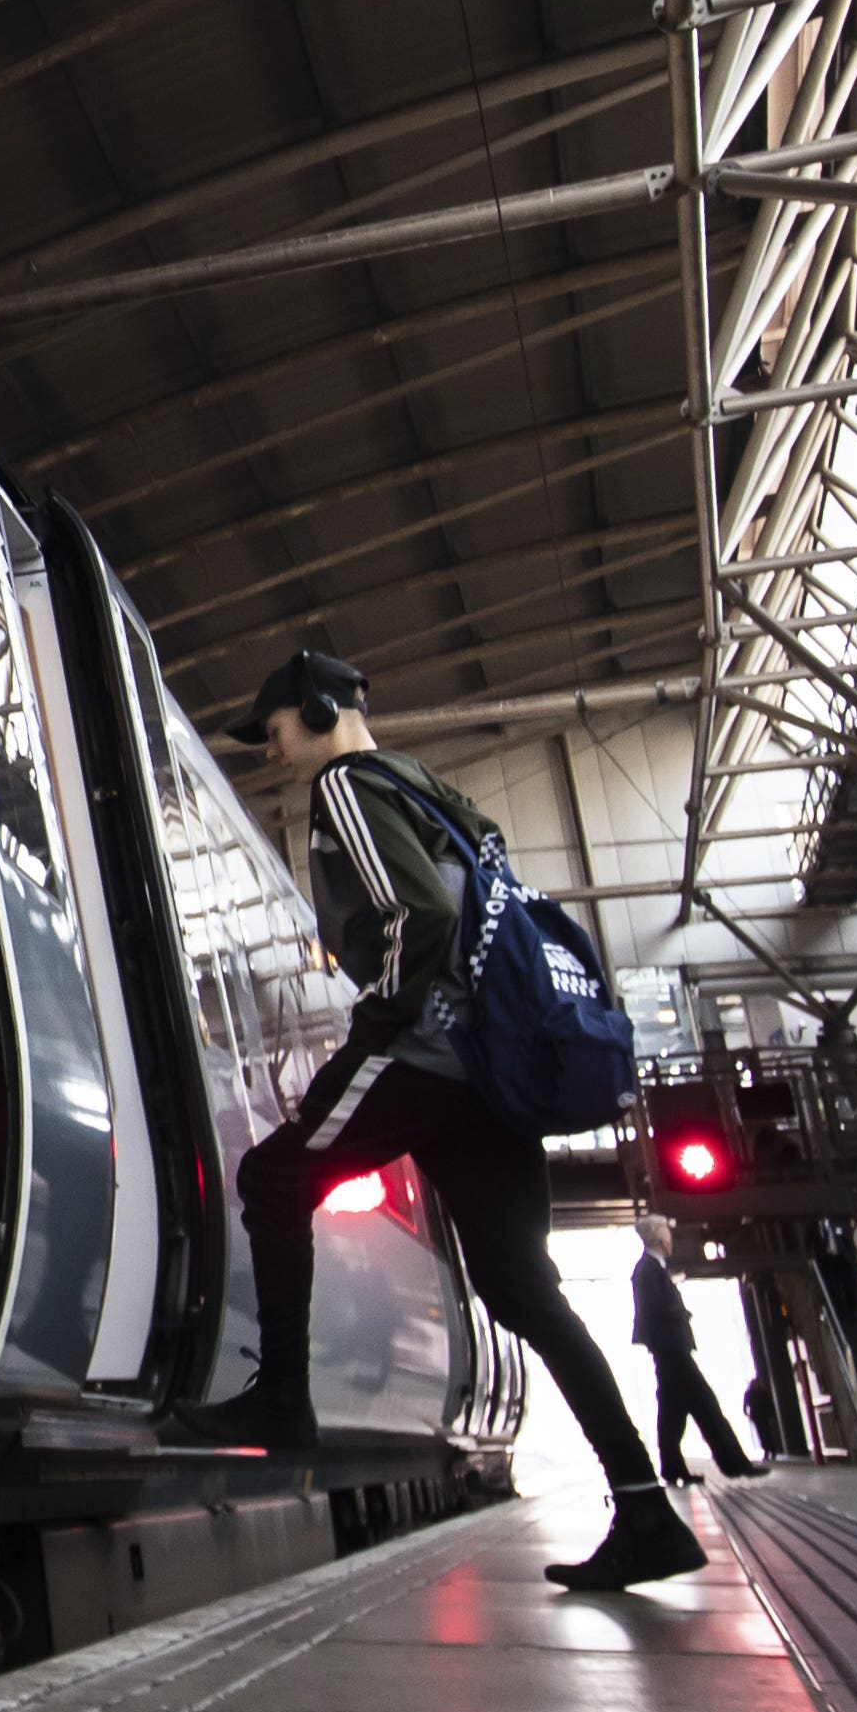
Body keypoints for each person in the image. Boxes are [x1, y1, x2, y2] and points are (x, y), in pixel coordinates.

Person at [177, 649, 703, 1590]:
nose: (274, 750)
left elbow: (414, 916)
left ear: (320, 707)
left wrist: (374, 1025)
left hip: (424, 1053)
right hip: (491, 1074)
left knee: (271, 1177)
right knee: (520, 1290)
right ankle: (643, 1508)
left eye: (278, 728)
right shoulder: (428, 789)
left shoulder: (345, 783)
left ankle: (282, 1401)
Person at [634, 1216, 762, 1481]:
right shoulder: (647, 1270)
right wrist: (681, 1313)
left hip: (669, 1351)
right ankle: (735, 1463)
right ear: (658, 1237)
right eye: (667, 1234)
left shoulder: (653, 1269)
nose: (670, 1239)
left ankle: (672, 1468)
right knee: (705, 1404)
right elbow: (651, 1309)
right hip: (672, 1351)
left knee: (672, 1411)